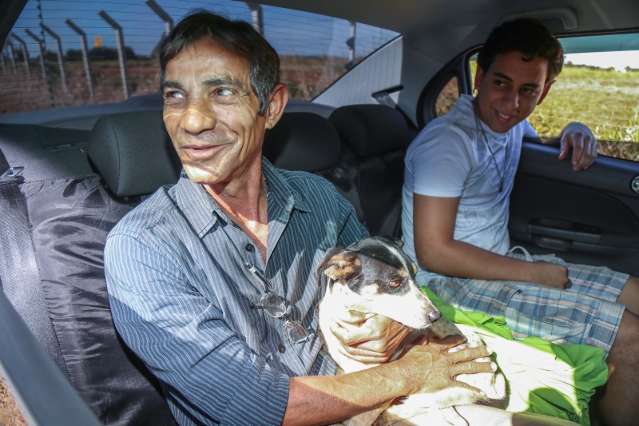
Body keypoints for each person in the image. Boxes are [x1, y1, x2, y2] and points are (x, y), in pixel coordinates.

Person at [104, 11, 497, 426]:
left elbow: (376, 294)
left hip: (375, 402)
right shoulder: (142, 249)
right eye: (174, 96)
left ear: (271, 107)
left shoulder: (321, 200)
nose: (193, 120)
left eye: (221, 93)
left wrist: (392, 331)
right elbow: (256, 407)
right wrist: (411, 373)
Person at [401, 18, 639, 426]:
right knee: (632, 340)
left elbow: (532, 141)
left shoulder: (507, 124)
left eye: (528, 90)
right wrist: (534, 274)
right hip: (445, 287)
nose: (511, 103)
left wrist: (575, 130)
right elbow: (433, 251)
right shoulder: (447, 143)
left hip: (498, 264)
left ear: (544, 91)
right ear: (480, 77)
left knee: (635, 291)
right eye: (501, 83)